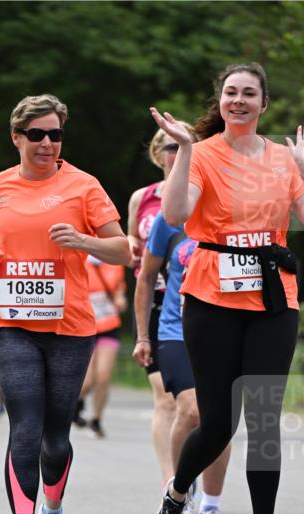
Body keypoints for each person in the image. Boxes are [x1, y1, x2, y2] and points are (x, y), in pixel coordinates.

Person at [151, 62, 304, 514]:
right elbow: (173, 215)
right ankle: (177, 492)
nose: (238, 100)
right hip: (211, 299)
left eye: (248, 94)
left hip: (273, 299)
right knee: (218, 423)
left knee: (265, 418)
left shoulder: (283, 159)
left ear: (263, 104)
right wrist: (185, 150)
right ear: (221, 100)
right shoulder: (202, 154)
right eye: (231, 92)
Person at [0, 93, 131, 514]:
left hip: (69, 325)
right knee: (27, 424)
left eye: (55, 134)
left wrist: (84, 242)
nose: (46, 143)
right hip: (9, 319)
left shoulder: (83, 185)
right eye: (36, 134)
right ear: (16, 137)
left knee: (56, 436)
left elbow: (121, 249)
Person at [133, 208, 236, 514]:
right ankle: (181, 498)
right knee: (191, 409)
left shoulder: (239, 210)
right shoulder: (170, 218)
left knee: (221, 419)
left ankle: (211, 507)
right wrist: (142, 336)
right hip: (175, 331)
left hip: (225, 331)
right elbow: (147, 277)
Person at [127, 129, 179, 483]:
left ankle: (204, 492)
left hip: (195, 302)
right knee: (166, 397)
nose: (177, 153)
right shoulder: (142, 197)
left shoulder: (202, 195)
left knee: (198, 406)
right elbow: (132, 234)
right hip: (153, 301)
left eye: (184, 146)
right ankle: (170, 484)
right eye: (171, 146)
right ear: (158, 154)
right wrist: (132, 245)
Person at [78, 254, 127, 439]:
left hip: (109, 326)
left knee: (104, 377)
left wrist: (120, 300)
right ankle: (78, 403)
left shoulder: (114, 262)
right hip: (85, 327)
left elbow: (119, 290)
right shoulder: (80, 261)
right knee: (86, 380)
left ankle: (96, 420)